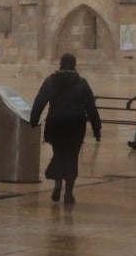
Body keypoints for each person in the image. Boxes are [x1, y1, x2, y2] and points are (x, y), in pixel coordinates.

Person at [29, 52, 102, 204]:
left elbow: (39, 102)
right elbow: (91, 107)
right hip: (75, 124)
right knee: (72, 157)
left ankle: (57, 183)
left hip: (56, 122)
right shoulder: (82, 83)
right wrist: (97, 128)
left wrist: (33, 120)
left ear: (60, 65)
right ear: (74, 65)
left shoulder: (50, 81)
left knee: (59, 153)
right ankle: (69, 192)